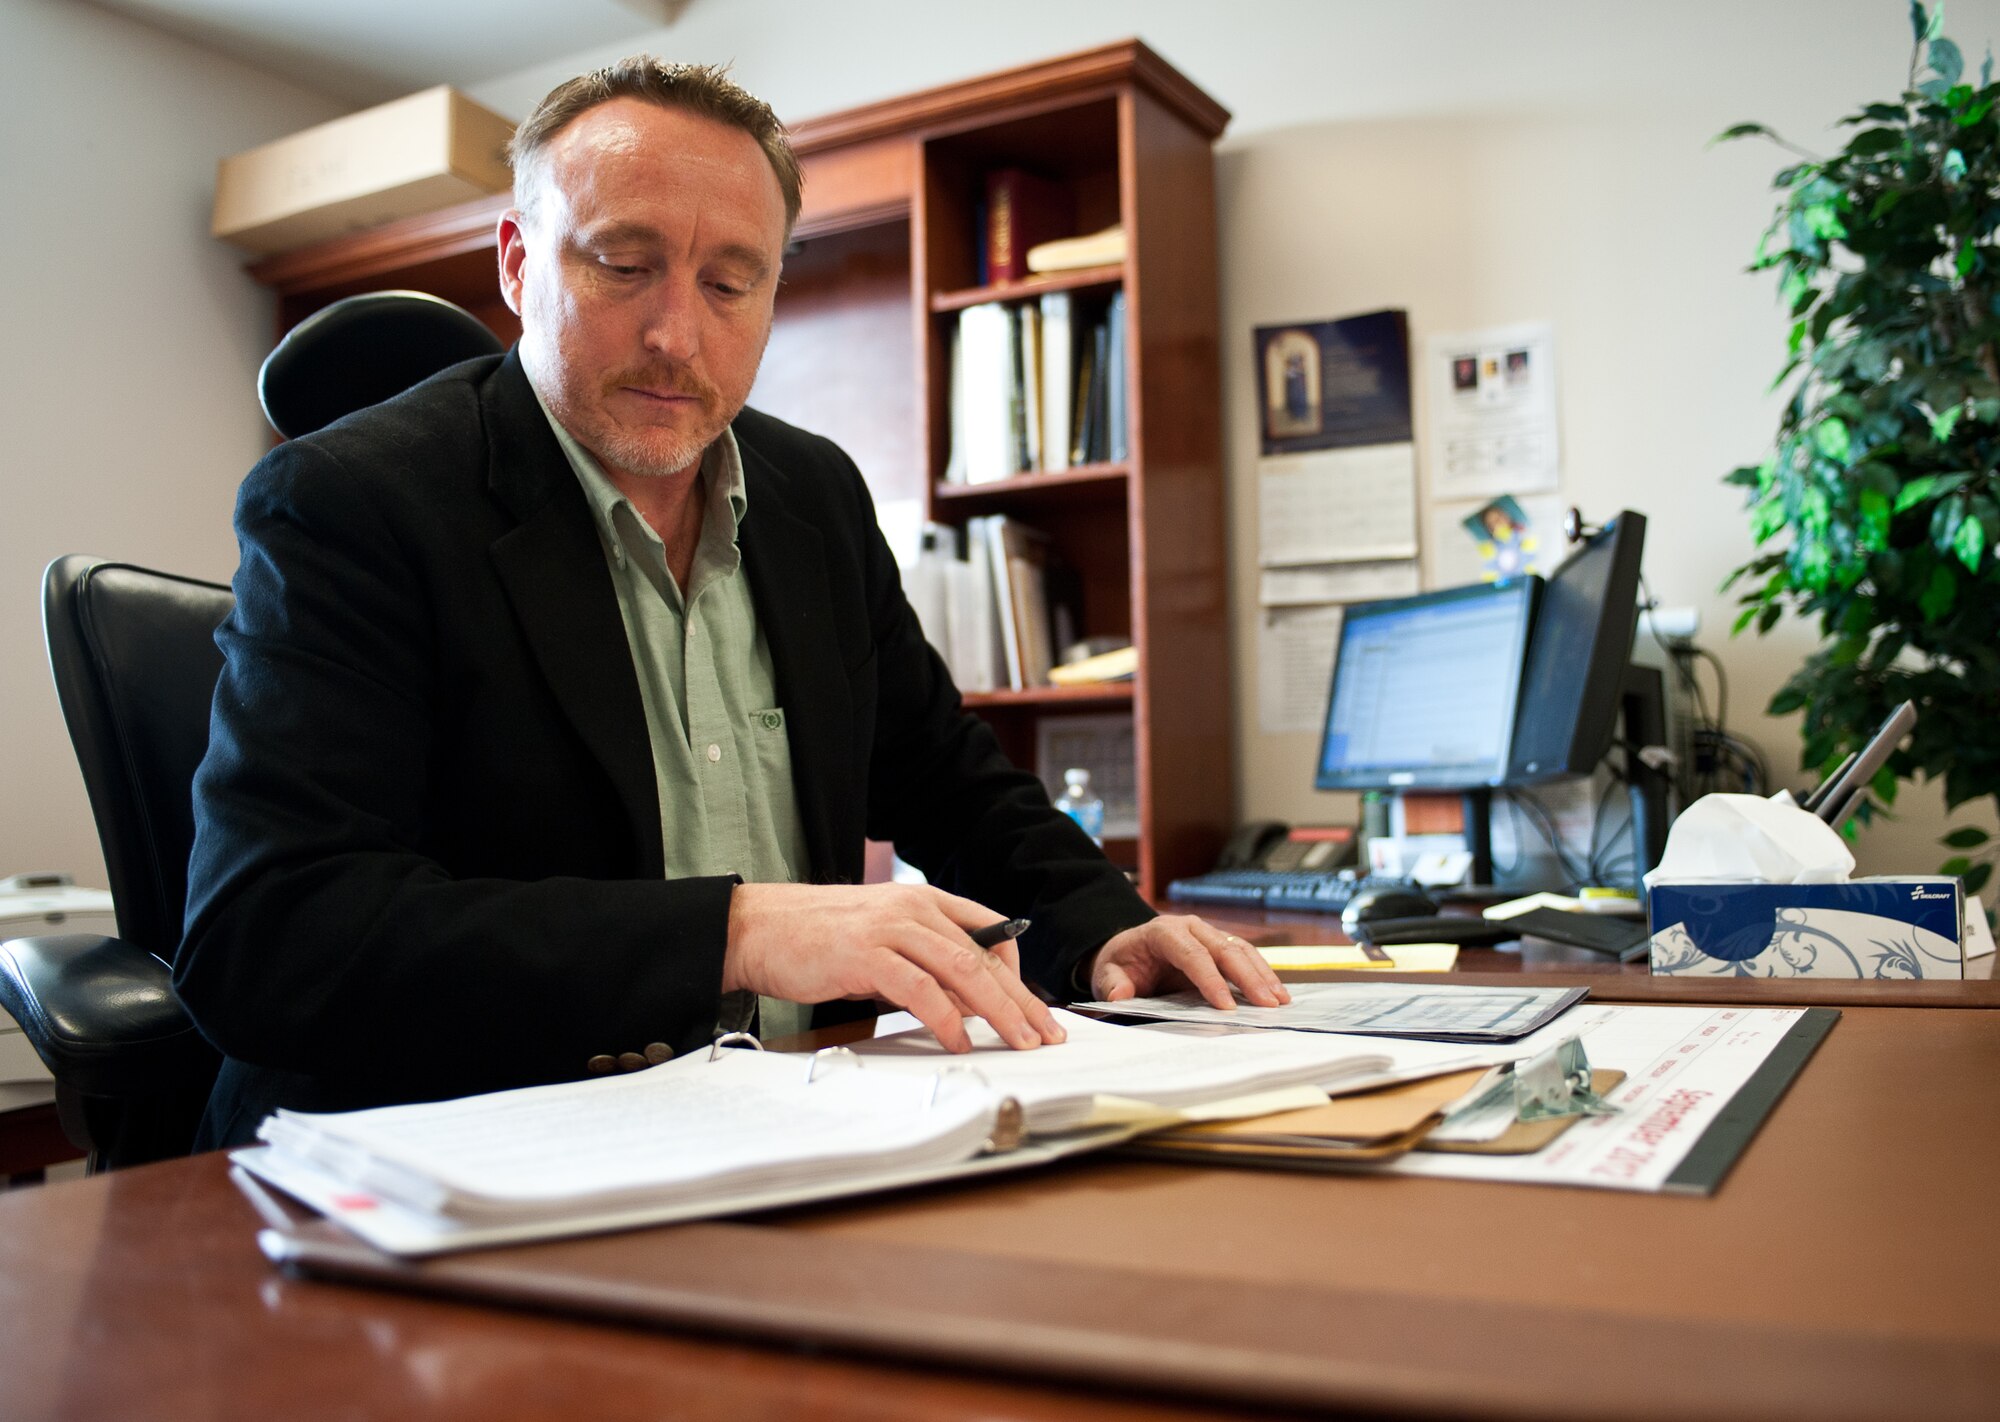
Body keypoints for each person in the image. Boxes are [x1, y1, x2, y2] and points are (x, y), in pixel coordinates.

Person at [178, 58, 1284, 1148]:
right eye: (622, 264)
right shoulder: (348, 503)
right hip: (462, 1158)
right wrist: (735, 931)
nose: (676, 335)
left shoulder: (811, 496)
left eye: (729, 282)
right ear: (517, 265)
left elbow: (948, 777)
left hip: (785, 1127)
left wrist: (1111, 928)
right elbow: (271, 940)